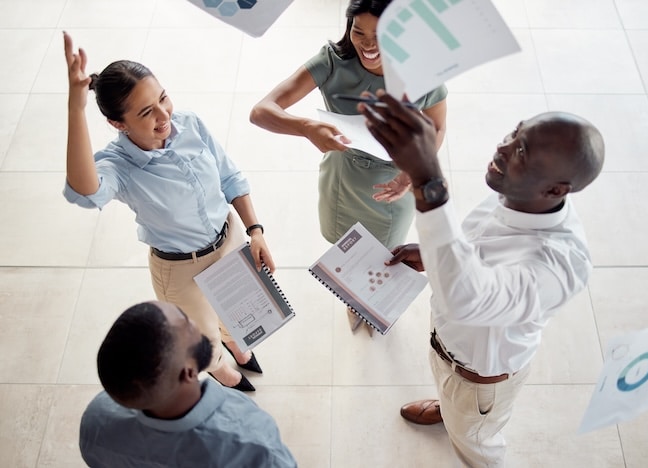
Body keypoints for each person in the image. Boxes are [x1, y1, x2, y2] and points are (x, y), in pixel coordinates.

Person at [358, 91, 605, 467]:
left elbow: (468, 299)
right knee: (449, 391)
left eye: (521, 151)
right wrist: (433, 256)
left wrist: (428, 179)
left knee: (477, 444)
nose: (502, 148)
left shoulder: (559, 266)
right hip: (451, 346)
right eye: (513, 133)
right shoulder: (514, 194)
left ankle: (464, 424)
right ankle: (447, 407)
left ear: (555, 190)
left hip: (476, 382)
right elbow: (473, 253)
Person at [63, 32, 271, 391]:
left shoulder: (189, 123)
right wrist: (75, 110)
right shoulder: (120, 168)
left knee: (237, 311)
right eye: (147, 112)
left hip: (230, 236)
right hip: (180, 268)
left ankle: (236, 345)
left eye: (163, 99)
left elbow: (229, 176)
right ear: (118, 123)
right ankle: (223, 369)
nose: (164, 117)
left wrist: (255, 229)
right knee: (202, 338)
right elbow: (85, 191)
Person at [249, 0, 448, 333]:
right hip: (342, 176)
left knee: (387, 253)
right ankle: (353, 298)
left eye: (380, 35)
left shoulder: (424, 74)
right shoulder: (332, 61)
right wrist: (305, 127)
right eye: (359, 32)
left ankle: (375, 300)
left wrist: (409, 173)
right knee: (346, 248)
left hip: (393, 184)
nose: (368, 45)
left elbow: (437, 127)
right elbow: (261, 111)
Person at [79, 301, 297, 467]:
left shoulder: (96, 421)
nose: (193, 322)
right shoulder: (251, 442)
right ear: (189, 372)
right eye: (185, 323)